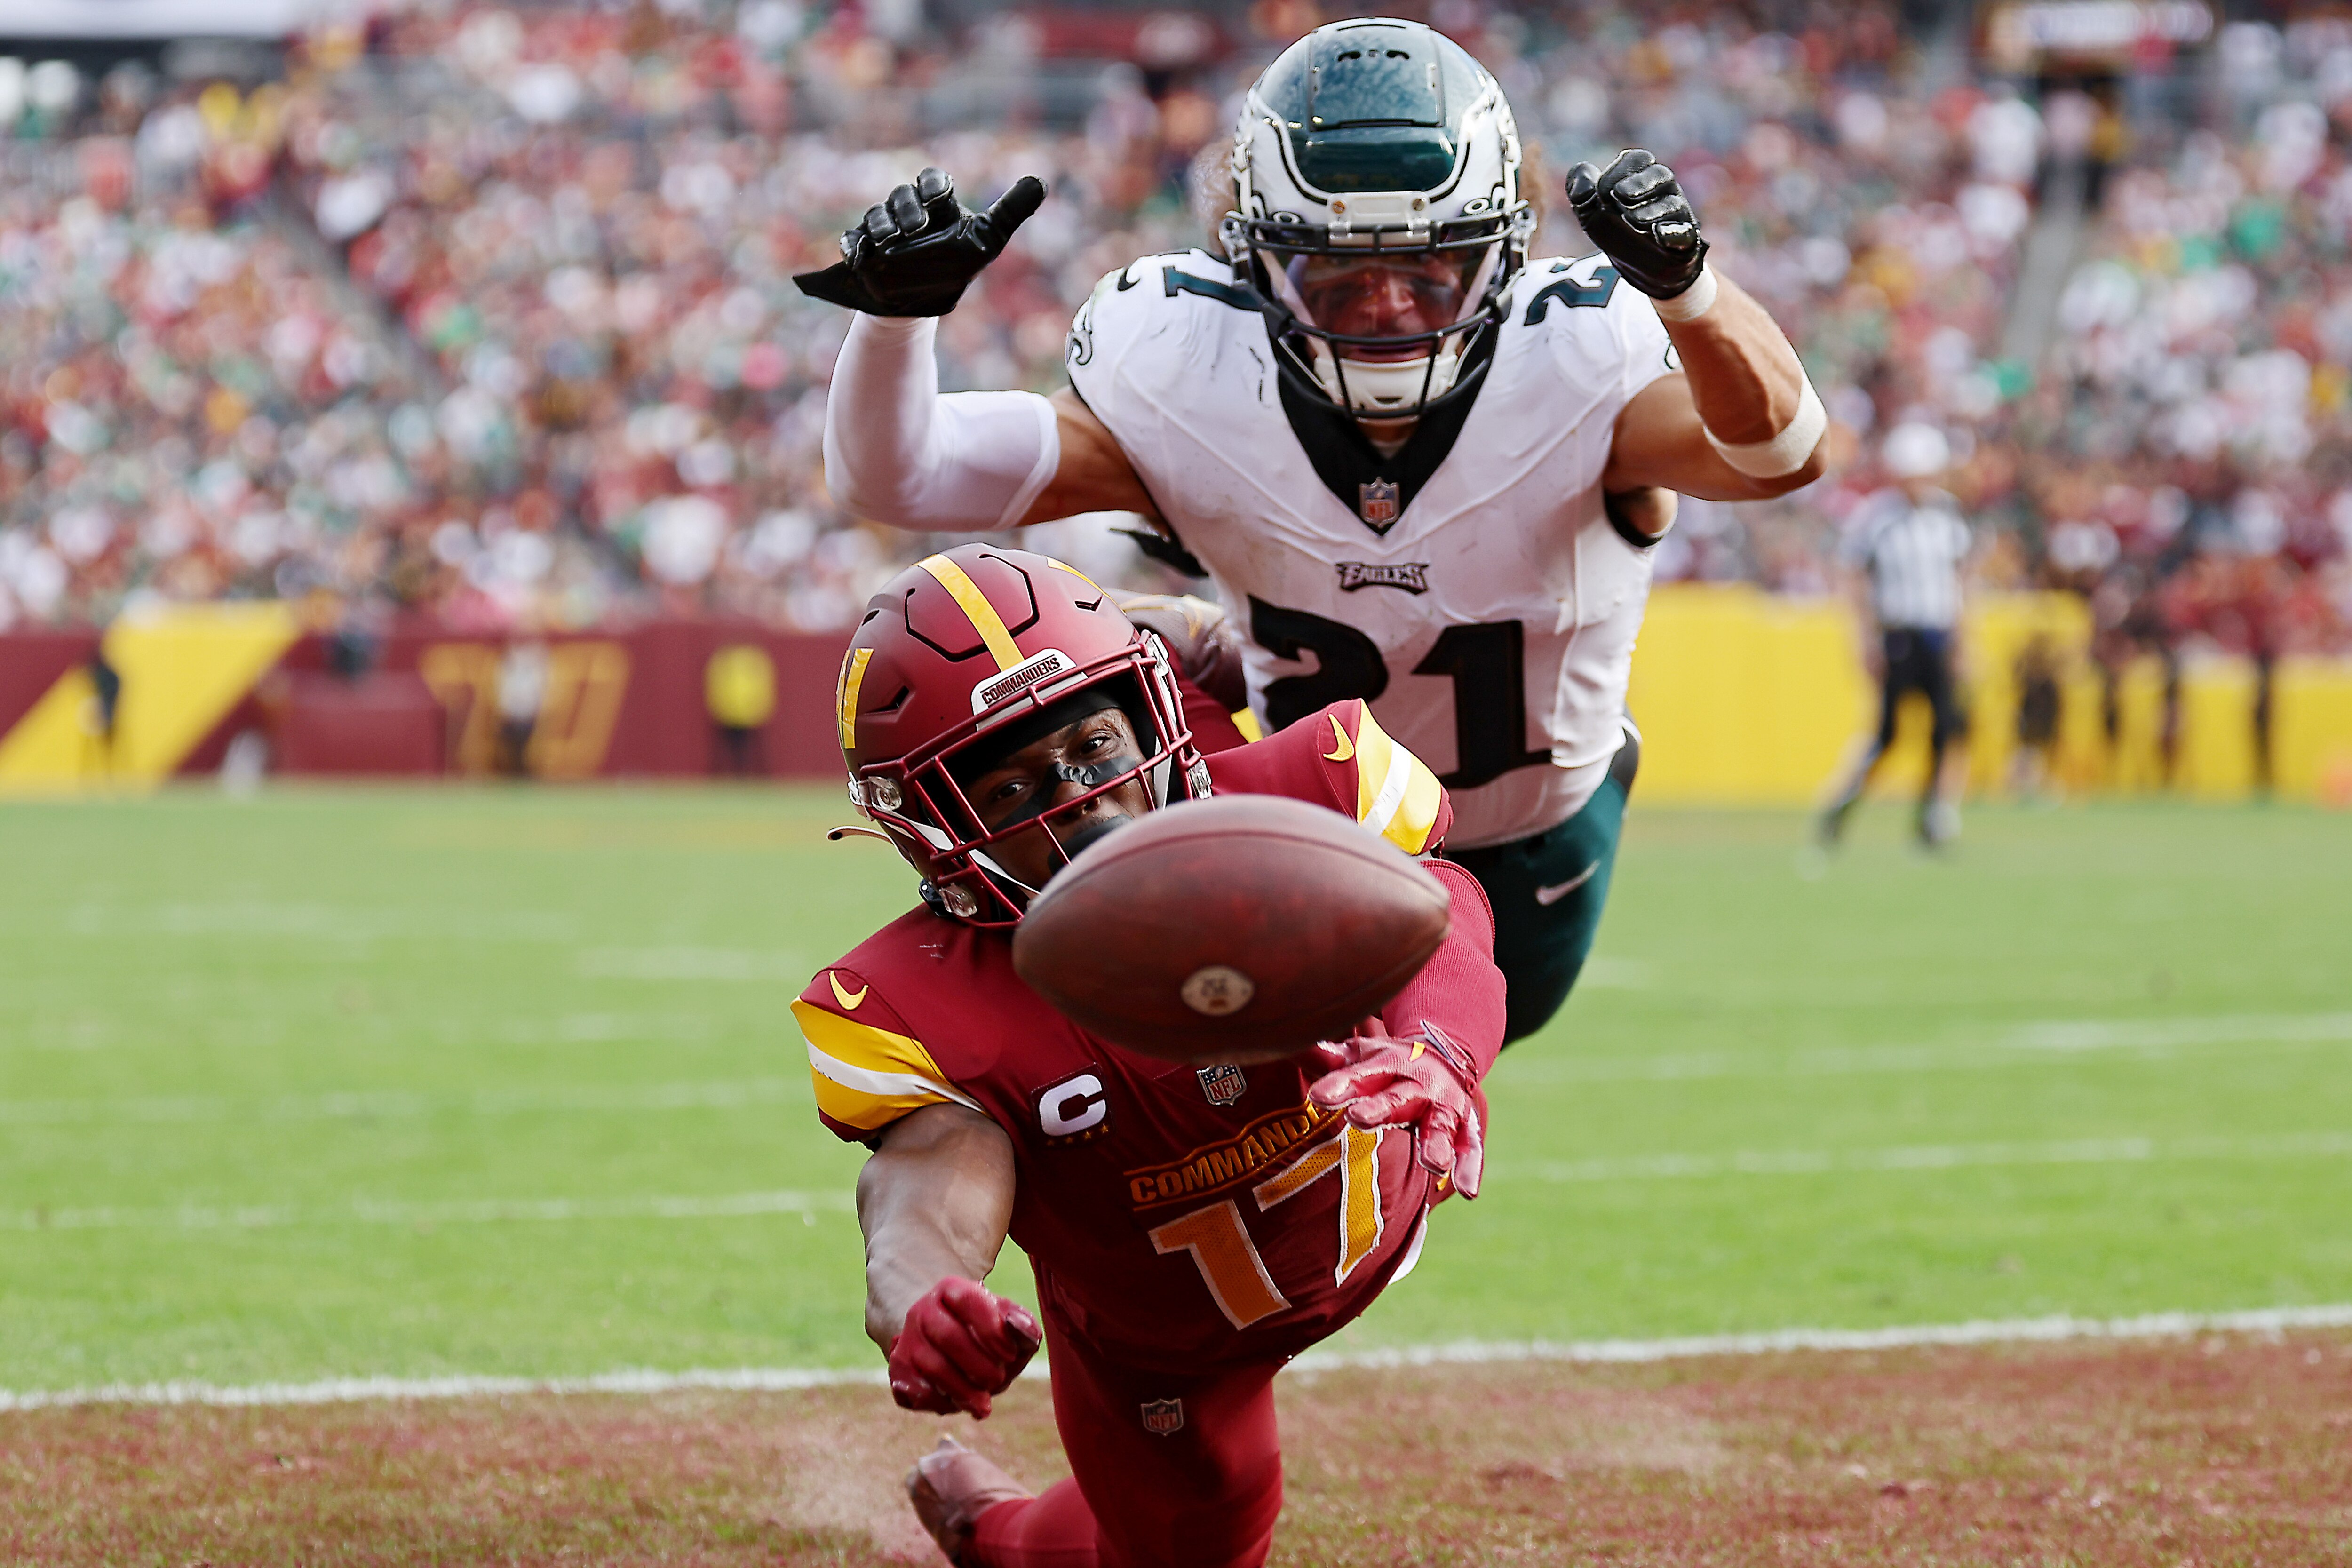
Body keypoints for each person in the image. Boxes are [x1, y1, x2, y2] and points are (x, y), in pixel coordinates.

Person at [797, 16, 1828, 1043]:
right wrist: (895, 321)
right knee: (1100, 646)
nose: (1386, 309)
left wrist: (1689, 290)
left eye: (1427, 273)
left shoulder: (1574, 362)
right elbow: (901, 474)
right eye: (1337, 276)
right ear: (1253, 257)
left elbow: (1781, 453)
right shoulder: (1189, 375)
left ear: (1500, 254)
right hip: (1292, 816)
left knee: (1387, 1100)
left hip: (1522, 842)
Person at [795, 544, 1506, 1568]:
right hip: (1160, 1344)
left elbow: (1439, 912)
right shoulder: (924, 998)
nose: (1081, 801)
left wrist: (1436, 1050)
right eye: (1012, 792)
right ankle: (990, 1528)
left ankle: (1188, 639)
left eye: (1094, 746)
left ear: (1151, 710)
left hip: (1377, 1207)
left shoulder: (1301, 790)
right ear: (933, 830)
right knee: (1181, 1546)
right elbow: (924, 1181)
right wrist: (921, 1296)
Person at [1817, 422, 1974, 847]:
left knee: (1946, 729)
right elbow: (1854, 578)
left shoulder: (1948, 514)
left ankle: (1934, 817)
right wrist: (1865, 639)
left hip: (1938, 632)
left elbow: (1960, 580)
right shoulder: (1878, 517)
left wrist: (1965, 639)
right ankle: (1842, 800)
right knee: (1888, 734)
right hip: (1899, 634)